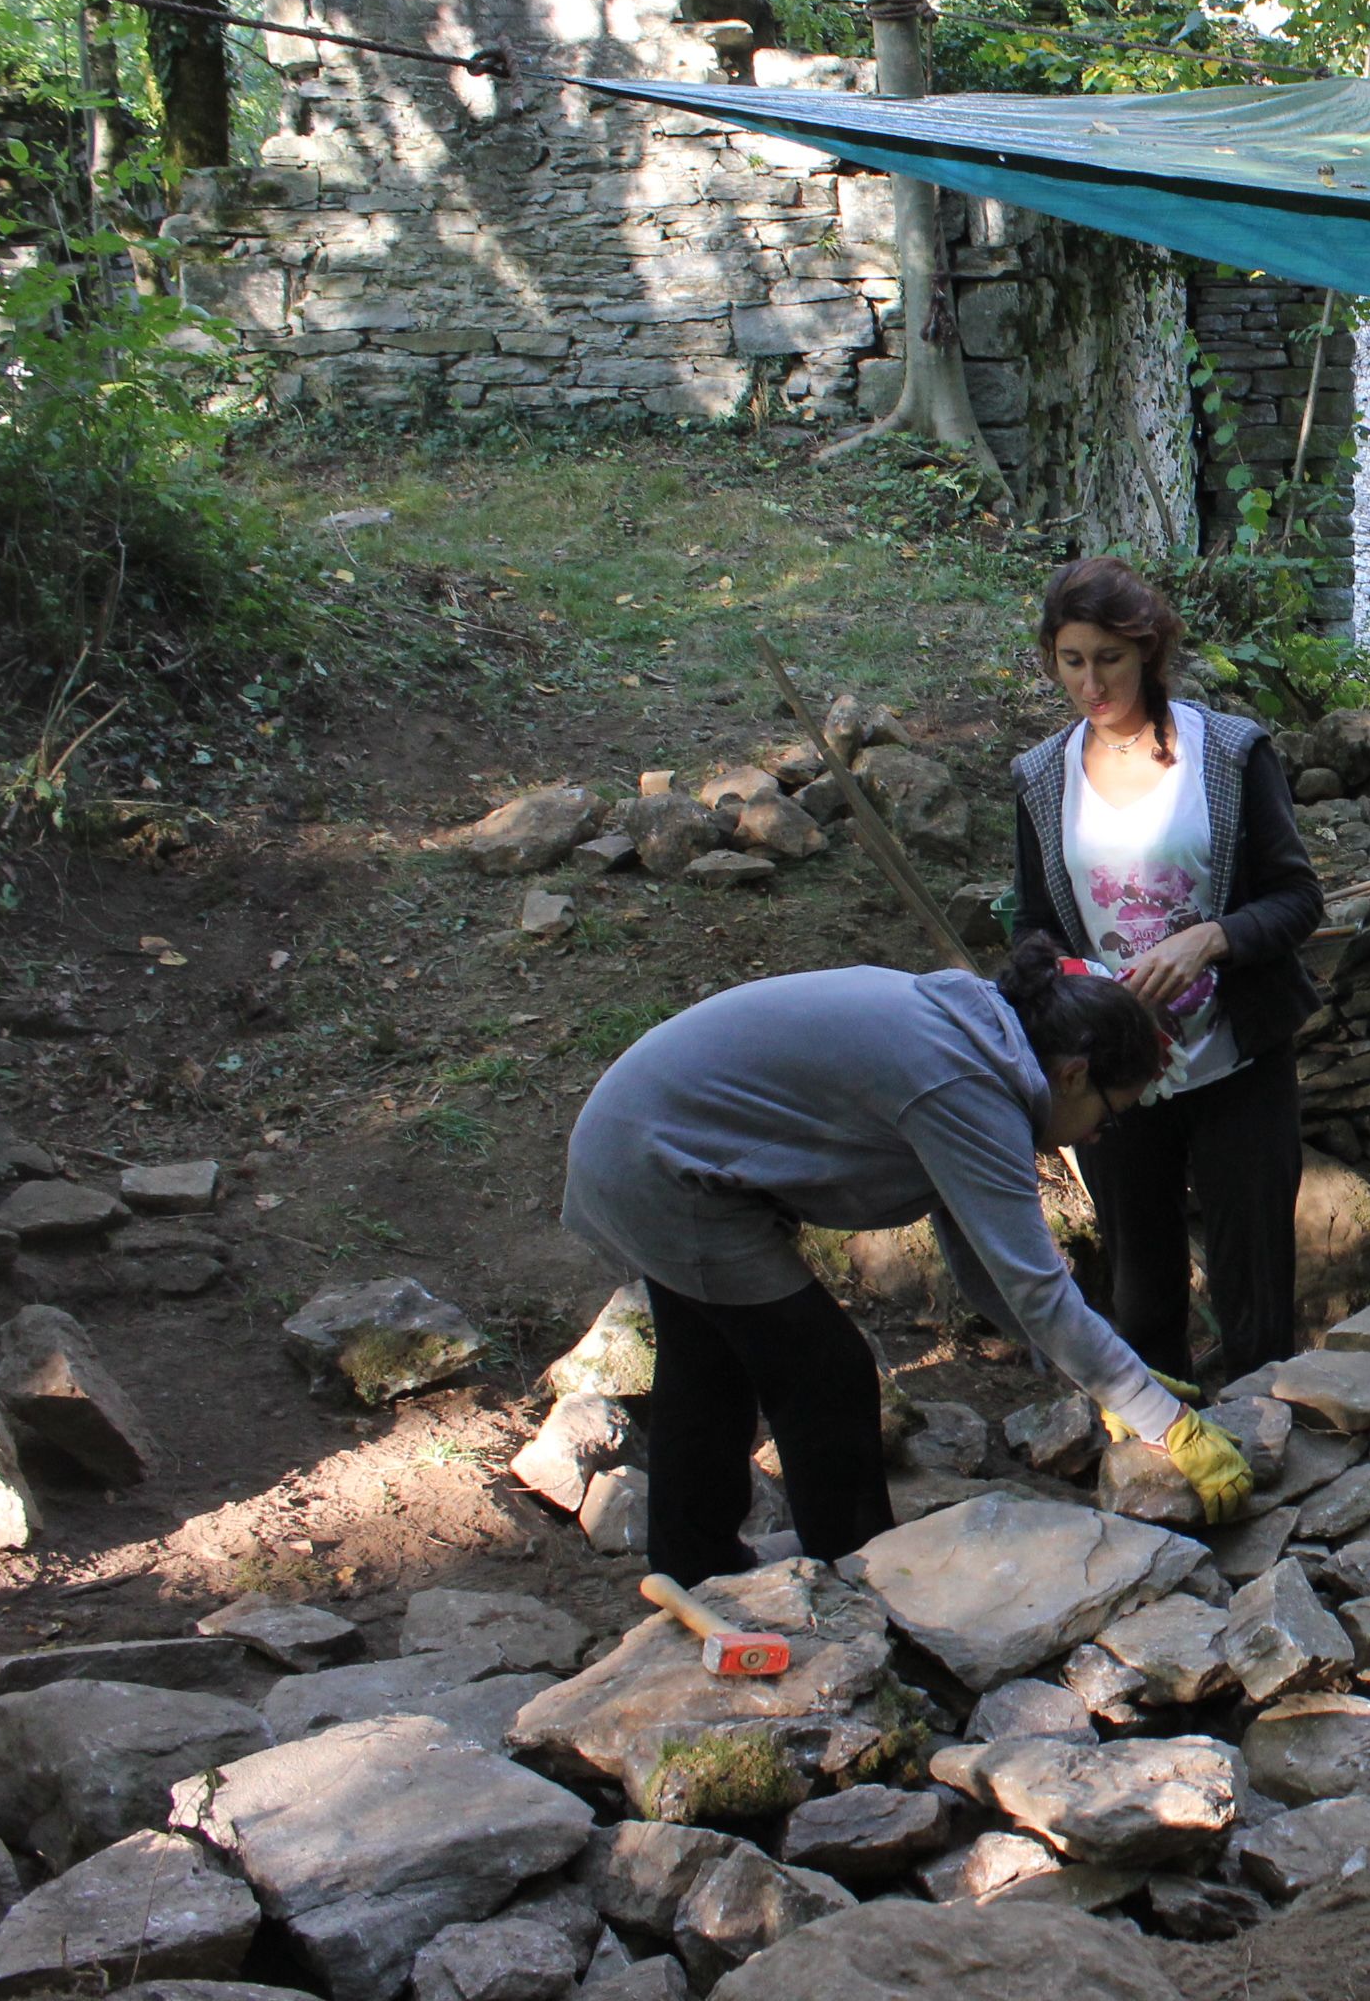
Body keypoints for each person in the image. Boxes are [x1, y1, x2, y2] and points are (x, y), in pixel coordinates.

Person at [559, 945, 1249, 1587]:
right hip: (662, 1169)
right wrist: (1157, 1412)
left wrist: (1112, 1380)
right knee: (827, 1375)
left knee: (710, 1363)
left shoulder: (981, 1037)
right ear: (1072, 1074)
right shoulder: (969, 1086)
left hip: (642, 1139)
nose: (1101, 1135)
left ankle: (694, 1566)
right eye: (1111, 1114)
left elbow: (990, 1267)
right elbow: (1038, 1290)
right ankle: (858, 1583)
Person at [1012, 558, 1326, 1391]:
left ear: (1148, 652)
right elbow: (1034, 929)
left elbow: (1299, 899)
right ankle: (1163, 1458)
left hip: (1239, 1060)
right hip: (1116, 1076)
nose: (1091, 681)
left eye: (1109, 658)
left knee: (1256, 1290)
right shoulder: (1042, 777)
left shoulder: (1227, 753)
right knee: (1143, 1292)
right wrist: (1071, 982)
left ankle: (1276, 1452)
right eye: (1071, 660)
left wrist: (1210, 940)